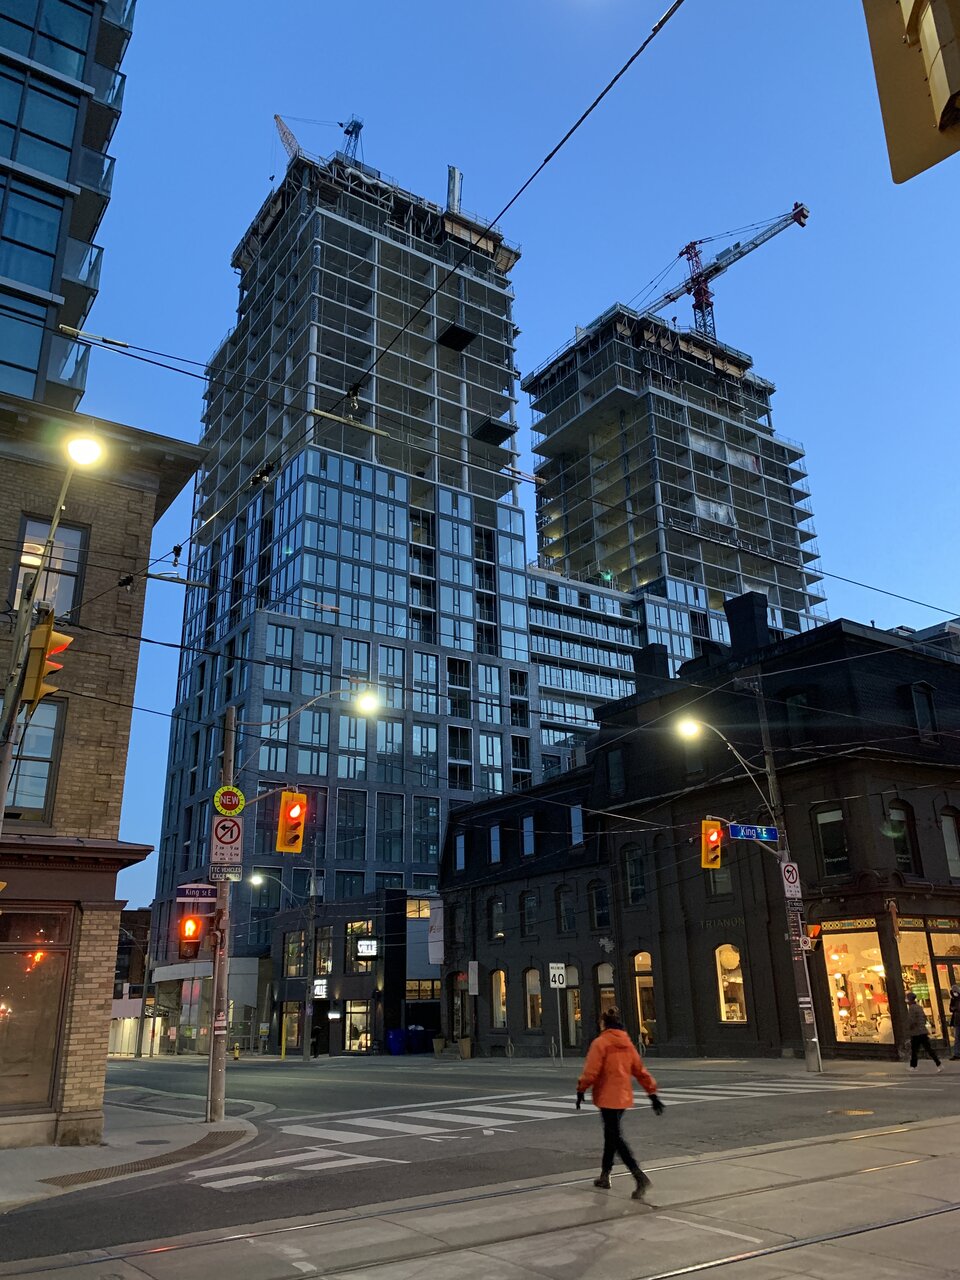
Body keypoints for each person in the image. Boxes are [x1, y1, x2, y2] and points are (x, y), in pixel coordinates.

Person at [576, 1008, 664, 1200]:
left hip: (607, 1098)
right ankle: (604, 1175)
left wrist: (581, 1089)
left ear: (603, 1023)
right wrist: (652, 1094)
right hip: (622, 1098)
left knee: (615, 1137)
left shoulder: (601, 1043)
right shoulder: (627, 1043)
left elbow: (591, 1072)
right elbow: (640, 1071)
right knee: (611, 1135)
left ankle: (638, 1175)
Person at [905, 991, 942, 1072]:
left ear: (909, 999)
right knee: (928, 1049)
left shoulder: (911, 1008)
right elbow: (924, 1018)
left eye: (907, 998)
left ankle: (913, 1066)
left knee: (914, 1050)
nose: (906, 1000)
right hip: (923, 1031)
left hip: (916, 1032)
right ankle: (938, 1063)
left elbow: (912, 1020)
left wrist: (908, 1028)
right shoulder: (919, 1007)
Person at [949, 984, 960, 1060]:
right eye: (953, 992)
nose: (954, 993)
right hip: (957, 1020)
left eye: (955, 991)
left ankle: (957, 1053)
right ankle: (957, 1054)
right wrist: (953, 1008)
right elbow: (950, 1008)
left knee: (957, 1037)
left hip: (957, 1020)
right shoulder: (953, 999)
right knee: (957, 1037)